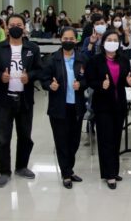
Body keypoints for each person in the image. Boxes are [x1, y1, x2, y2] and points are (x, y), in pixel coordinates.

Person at [0, 14, 42, 188]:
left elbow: (39, 69)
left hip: (25, 100)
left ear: (24, 27)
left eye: (19, 24)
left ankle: (21, 167)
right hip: (4, 100)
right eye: (12, 24)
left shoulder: (32, 48)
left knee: (25, 136)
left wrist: (30, 76)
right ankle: (4, 171)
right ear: (6, 27)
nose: (15, 27)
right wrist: (0, 77)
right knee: (3, 138)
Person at [85, 30, 131, 189]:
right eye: (109, 39)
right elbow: (89, 80)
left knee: (116, 138)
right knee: (105, 140)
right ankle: (109, 174)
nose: (112, 42)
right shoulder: (95, 60)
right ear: (104, 42)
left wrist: (129, 82)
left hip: (119, 105)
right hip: (102, 106)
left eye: (115, 40)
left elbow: (126, 79)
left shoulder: (123, 60)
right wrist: (101, 84)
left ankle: (114, 170)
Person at [41, 27, 88, 189]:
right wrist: (50, 85)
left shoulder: (82, 58)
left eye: (71, 39)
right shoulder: (52, 59)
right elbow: (44, 80)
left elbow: (87, 79)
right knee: (62, 142)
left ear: (76, 40)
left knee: (74, 142)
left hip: (77, 107)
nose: (68, 41)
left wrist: (81, 84)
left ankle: (69, 169)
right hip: (59, 108)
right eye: (65, 38)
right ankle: (66, 173)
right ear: (61, 39)